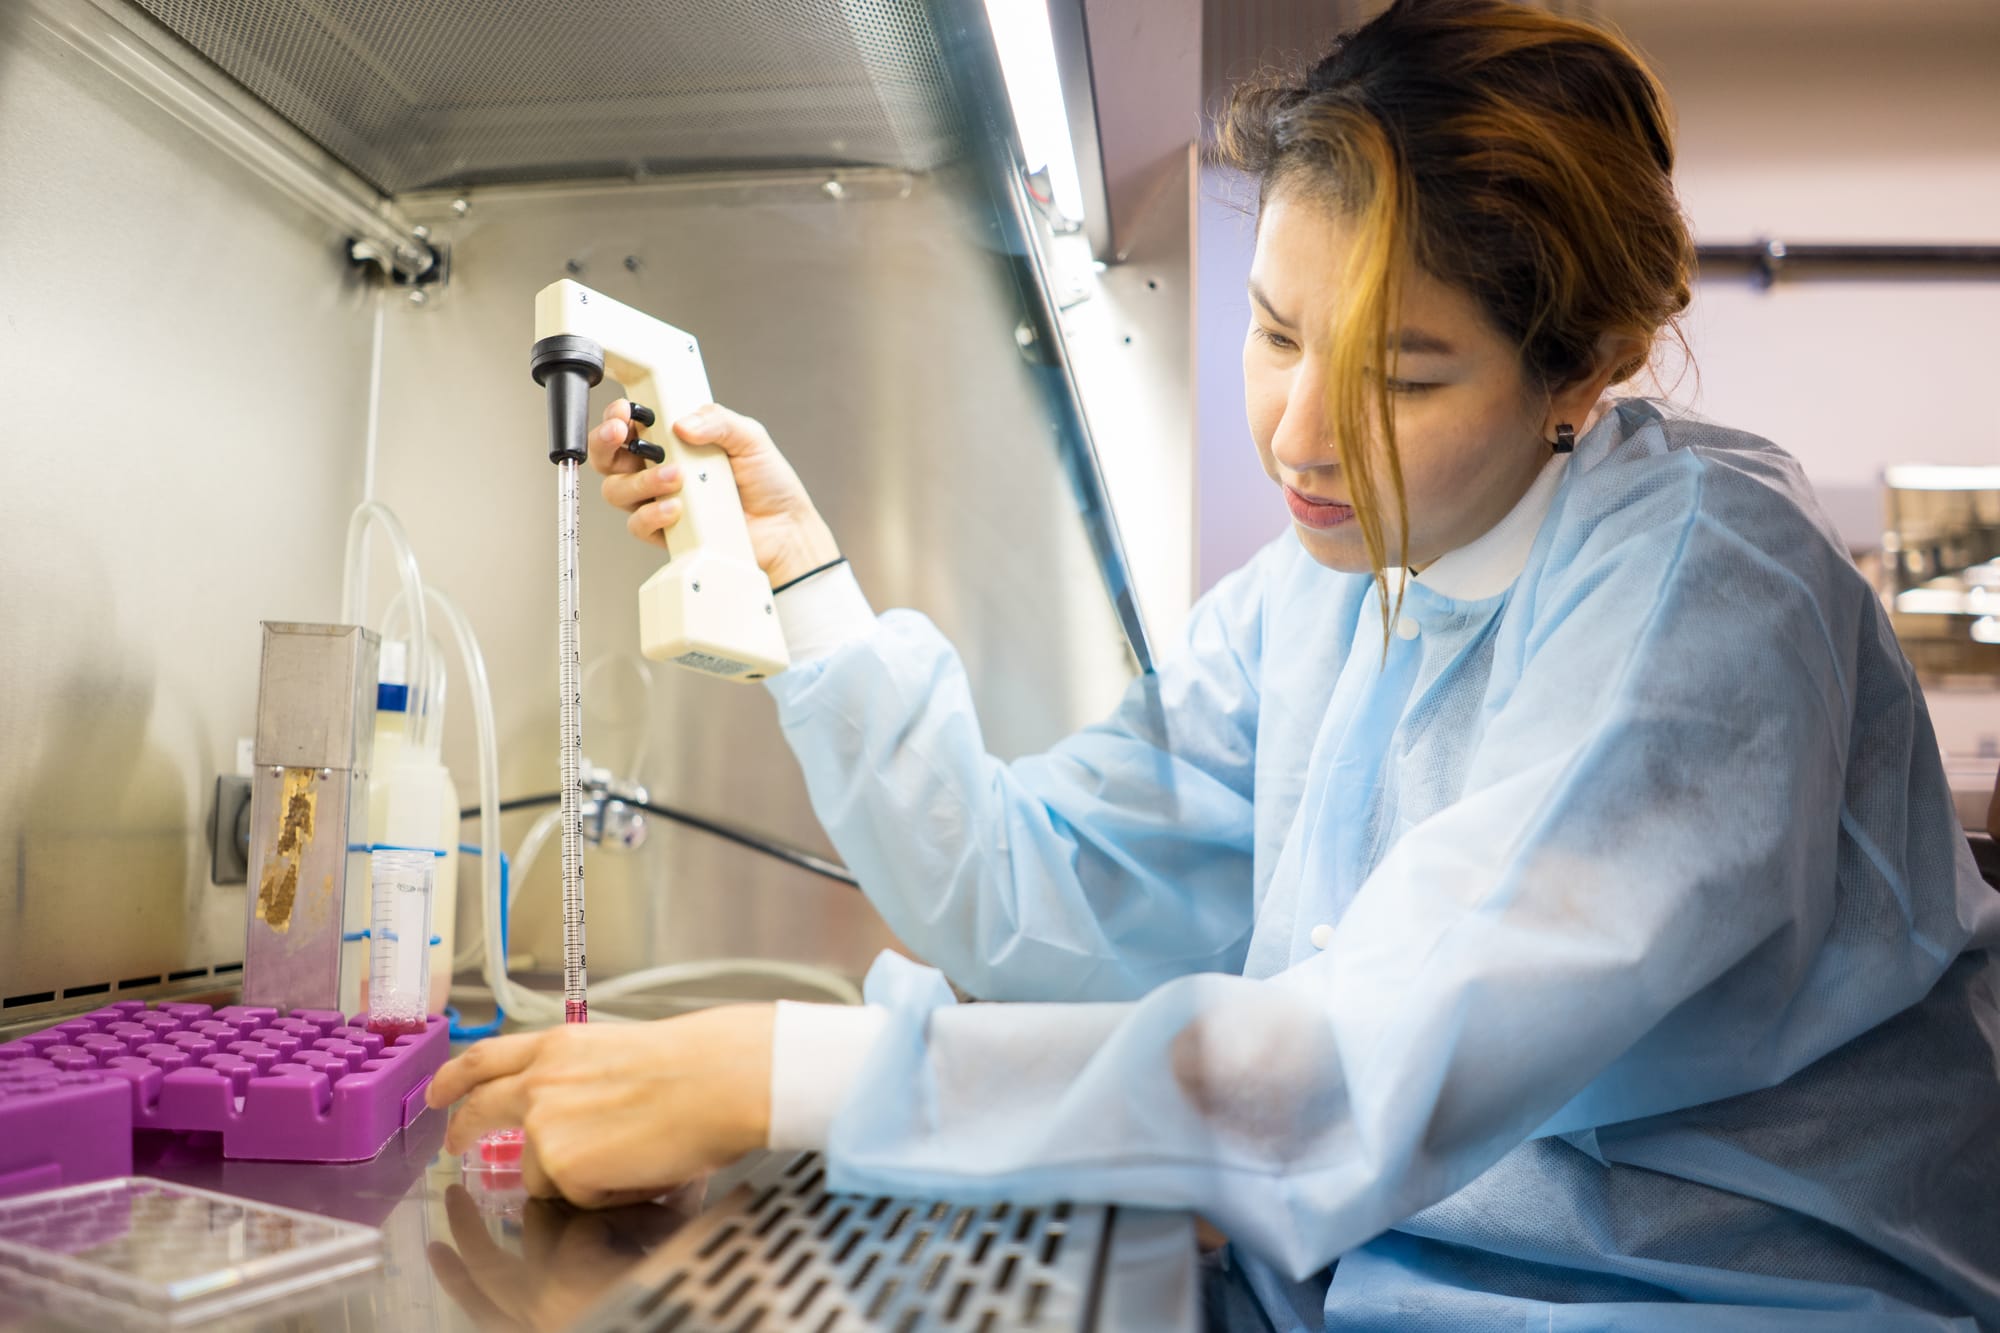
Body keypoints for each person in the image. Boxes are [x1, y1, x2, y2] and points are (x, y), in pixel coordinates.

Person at [428, 1, 2000, 1326]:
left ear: (1576, 371)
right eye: (1272, 331)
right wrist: (805, 584)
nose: (1300, 435)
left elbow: (1356, 1075)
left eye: (1401, 371)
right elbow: (1028, 893)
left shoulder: (1706, 589)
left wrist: (786, 1075)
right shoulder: (1324, 595)